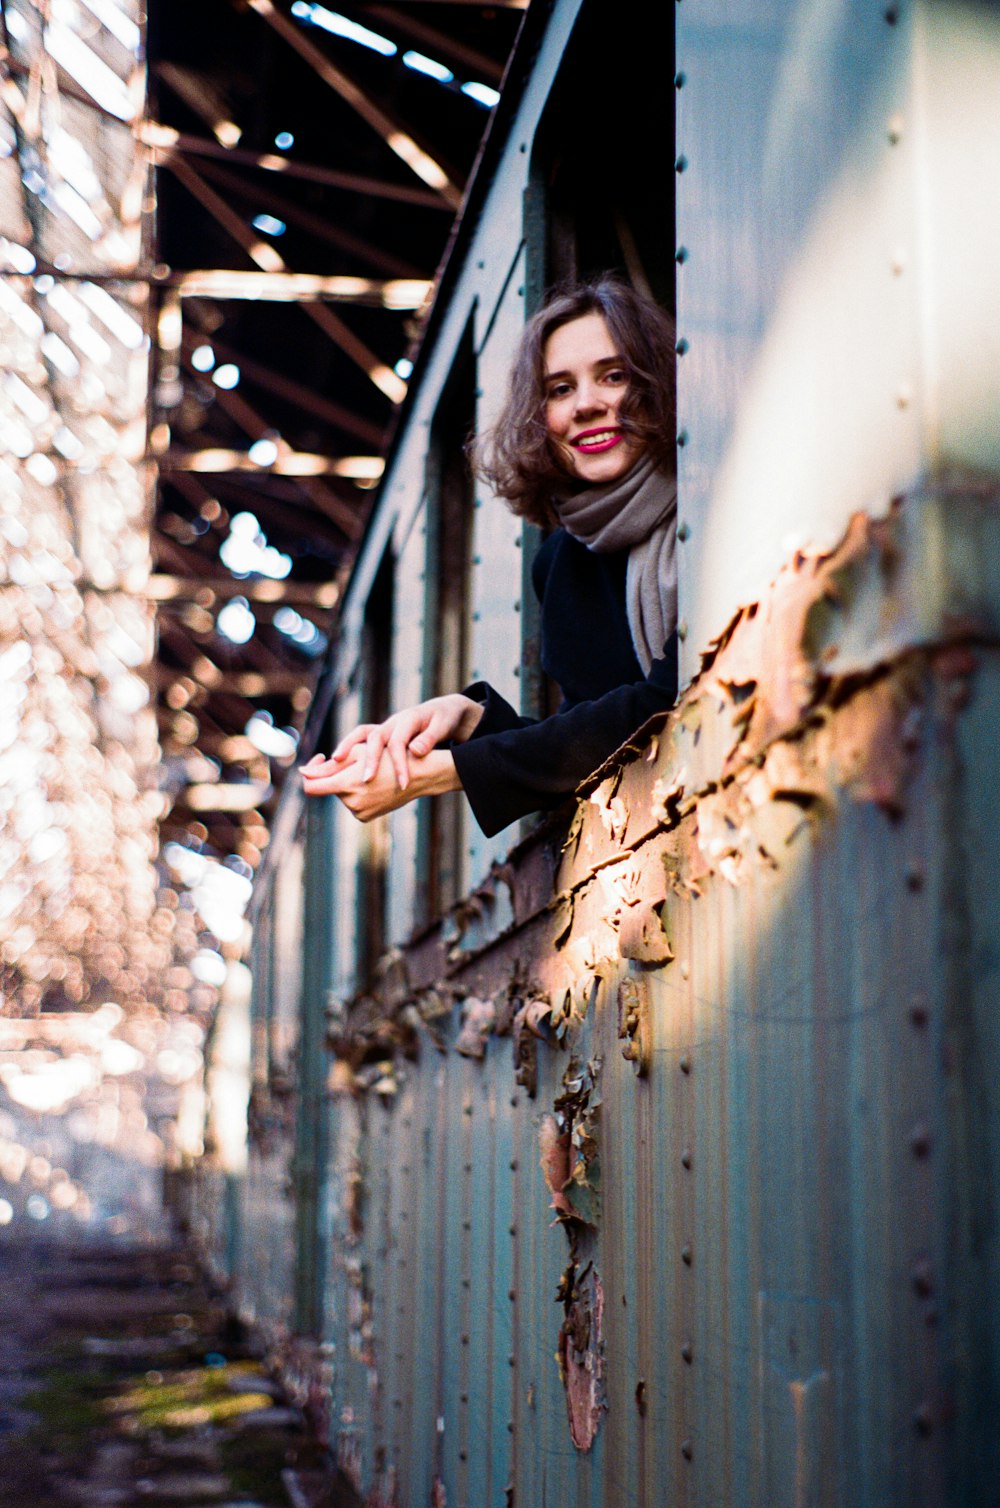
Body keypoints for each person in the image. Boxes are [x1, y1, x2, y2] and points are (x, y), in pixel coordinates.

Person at [300, 276, 678, 838]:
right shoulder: (562, 564)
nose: (587, 405)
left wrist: (440, 774)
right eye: (559, 389)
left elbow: (669, 697)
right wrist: (466, 719)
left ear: (656, 383)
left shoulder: (704, 505)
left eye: (613, 376)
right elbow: (592, 744)